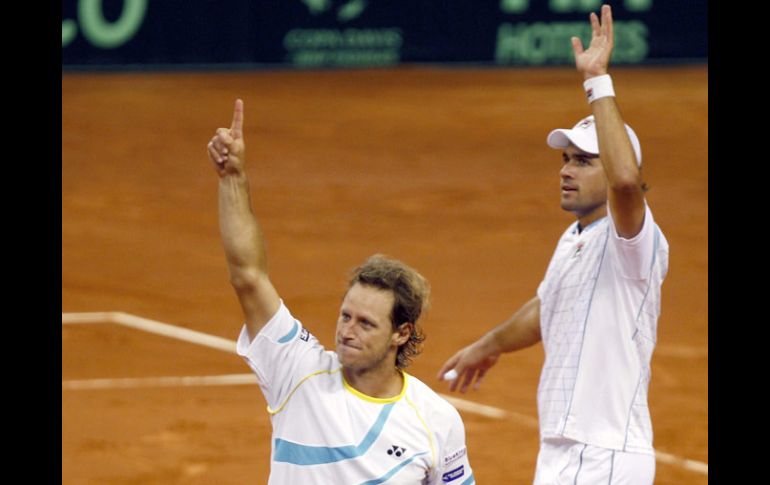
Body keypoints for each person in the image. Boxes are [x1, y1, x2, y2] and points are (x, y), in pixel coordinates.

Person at [436, 5, 668, 485]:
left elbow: (627, 183)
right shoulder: (576, 237)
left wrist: (597, 82)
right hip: (564, 451)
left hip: (603, 454)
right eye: (565, 159)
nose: (565, 170)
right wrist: (490, 344)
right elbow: (549, 304)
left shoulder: (633, 242)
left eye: (583, 161)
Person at [207, 99, 475, 485]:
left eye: (366, 323)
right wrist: (233, 178)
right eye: (346, 316)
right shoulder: (297, 370)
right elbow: (248, 276)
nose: (347, 330)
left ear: (402, 333)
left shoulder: (436, 420)